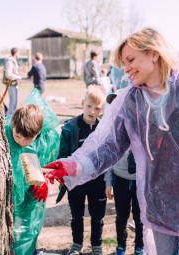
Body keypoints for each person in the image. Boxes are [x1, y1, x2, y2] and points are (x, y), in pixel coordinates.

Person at [39, 28, 179, 255]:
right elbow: (110, 146)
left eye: (130, 60)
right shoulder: (131, 100)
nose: (126, 68)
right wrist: (74, 165)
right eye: (123, 63)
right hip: (159, 201)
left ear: (154, 54)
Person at [57, 85, 107, 255]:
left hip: (97, 182)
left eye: (97, 108)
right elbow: (62, 154)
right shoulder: (70, 128)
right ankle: (77, 244)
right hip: (76, 183)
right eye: (89, 106)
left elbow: (108, 156)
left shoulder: (104, 129)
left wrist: (108, 181)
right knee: (76, 215)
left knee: (97, 216)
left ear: (102, 109)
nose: (92, 111)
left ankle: (96, 245)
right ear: (83, 103)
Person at [5, 102, 60, 255]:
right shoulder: (2, 134)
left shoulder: (47, 139)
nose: (22, 142)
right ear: (12, 123)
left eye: (28, 139)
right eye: (18, 135)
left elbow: (48, 163)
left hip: (30, 193)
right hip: (6, 195)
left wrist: (42, 178)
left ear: (38, 132)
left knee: (26, 229)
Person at [104, 93, 144, 255]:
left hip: (139, 181)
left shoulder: (142, 129)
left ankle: (140, 246)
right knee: (121, 216)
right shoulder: (113, 132)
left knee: (140, 217)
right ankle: (121, 245)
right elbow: (108, 160)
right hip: (120, 180)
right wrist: (108, 183)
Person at [4, 47, 23, 115]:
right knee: (12, 101)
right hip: (11, 84)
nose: (19, 54)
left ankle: (14, 116)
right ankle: (9, 116)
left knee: (16, 102)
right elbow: (8, 74)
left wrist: (18, 75)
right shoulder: (10, 61)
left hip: (15, 83)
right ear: (16, 53)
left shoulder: (14, 60)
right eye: (19, 52)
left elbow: (14, 72)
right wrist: (18, 76)